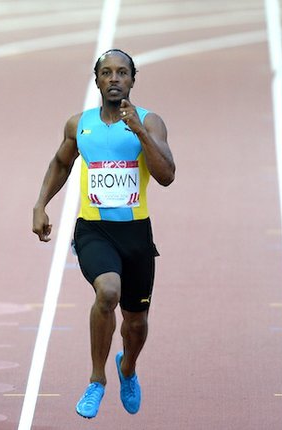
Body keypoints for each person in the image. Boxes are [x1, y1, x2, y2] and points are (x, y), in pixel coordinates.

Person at [32, 49, 175, 419]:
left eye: (122, 73)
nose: (114, 78)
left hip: (136, 235)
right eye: (107, 73)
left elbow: (166, 175)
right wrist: (41, 204)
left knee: (137, 322)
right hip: (93, 230)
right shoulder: (79, 124)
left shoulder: (151, 121)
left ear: (132, 79)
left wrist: (140, 132)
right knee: (107, 292)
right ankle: (97, 380)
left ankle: (127, 367)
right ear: (96, 80)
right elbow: (62, 162)